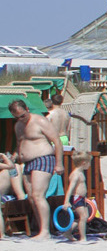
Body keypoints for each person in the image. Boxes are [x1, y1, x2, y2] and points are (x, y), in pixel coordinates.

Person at [8, 97, 68, 238]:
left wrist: (59, 163)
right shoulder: (18, 125)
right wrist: (15, 155)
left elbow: (57, 142)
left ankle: (45, 232)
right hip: (27, 162)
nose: (22, 119)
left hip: (43, 158)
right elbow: (20, 143)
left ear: (27, 109)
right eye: (17, 117)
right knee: (31, 197)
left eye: (23, 115)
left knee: (38, 195)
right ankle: (41, 227)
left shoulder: (40, 121)